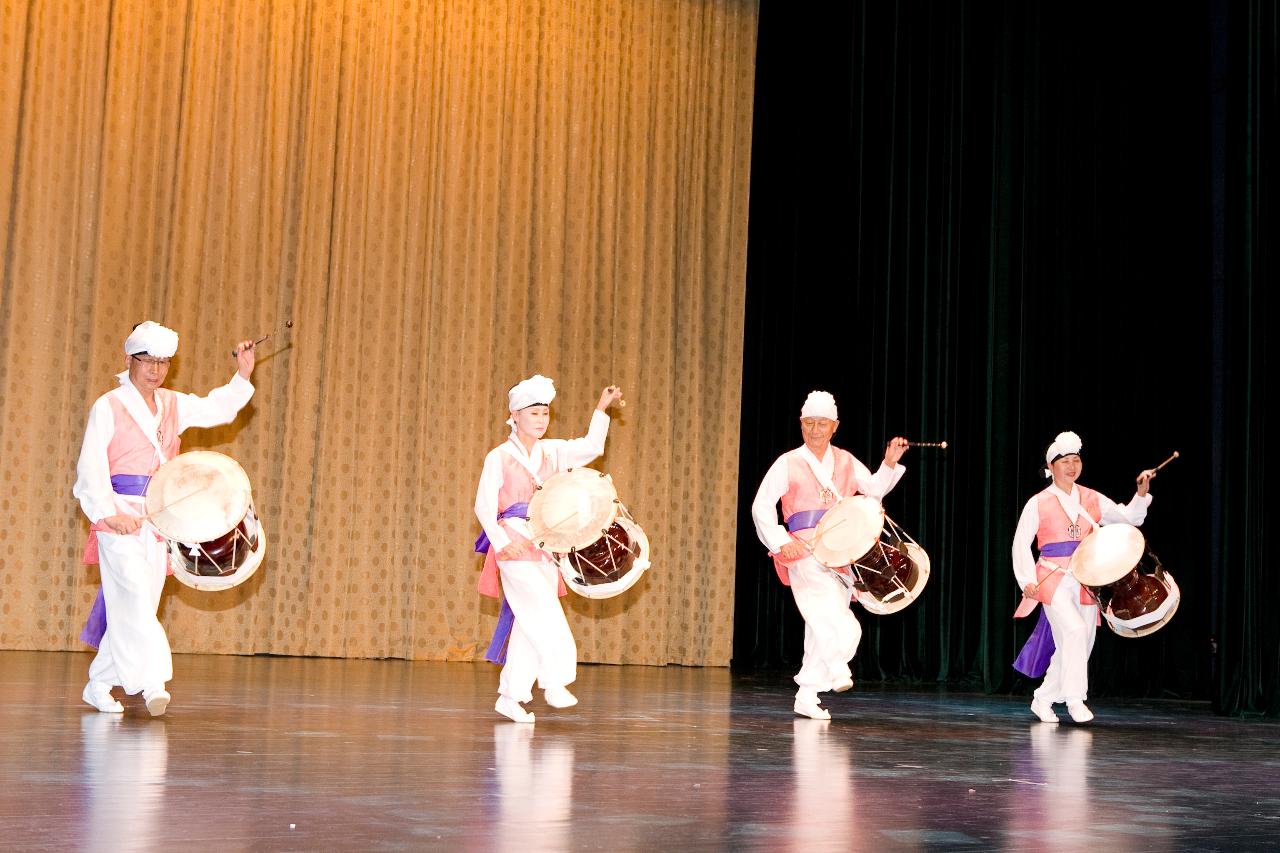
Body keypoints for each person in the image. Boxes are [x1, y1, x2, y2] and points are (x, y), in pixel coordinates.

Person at [75, 321, 257, 716]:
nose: (155, 370)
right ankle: (153, 683)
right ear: (129, 360)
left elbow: (216, 409)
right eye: (147, 361)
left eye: (163, 362)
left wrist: (241, 376)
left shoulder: (174, 404)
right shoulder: (108, 406)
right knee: (136, 602)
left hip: (160, 519)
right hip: (120, 517)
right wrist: (108, 515)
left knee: (135, 605)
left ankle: (99, 684)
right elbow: (89, 471)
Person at [474, 375, 625, 723]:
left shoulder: (552, 451)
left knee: (529, 622)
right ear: (515, 415)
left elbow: (591, 448)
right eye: (534, 413)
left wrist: (601, 409)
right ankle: (555, 680)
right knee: (543, 611)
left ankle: (511, 696)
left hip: (544, 542)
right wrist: (501, 543)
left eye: (545, 413)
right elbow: (484, 507)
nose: (541, 420)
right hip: (513, 541)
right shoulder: (499, 457)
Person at [750, 390, 909, 720]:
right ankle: (836, 666)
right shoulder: (789, 462)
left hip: (839, 550)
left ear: (834, 426)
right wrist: (780, 541)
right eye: (809, 423)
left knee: (834, 625)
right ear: (801, 424)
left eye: (822, 424)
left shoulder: (847, 460)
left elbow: (874, 490)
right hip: (803, 549)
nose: (815, 430)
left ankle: (807, 694)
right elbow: (761, 506)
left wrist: (889, 463)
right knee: (828, 617)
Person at [1011, 430, 1155, 724]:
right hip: (1051, 577)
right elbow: (1020, 542)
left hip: (1086, 579)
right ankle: (1076, 700)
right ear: (1051, 467)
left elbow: (1128, 519)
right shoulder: (1038, 502)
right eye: (1065, 461)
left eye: (1076, 460)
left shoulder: (1091, 497)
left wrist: (1140, 494)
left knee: (1081, 641)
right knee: (1075, 632)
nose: (1072, 466)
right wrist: (1025, 578)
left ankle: (1043, 698)